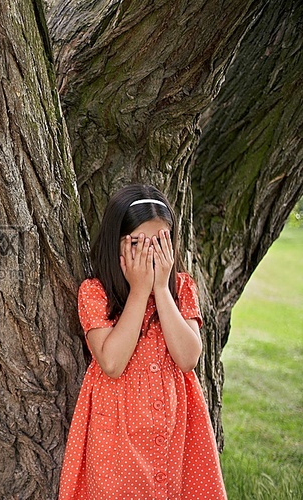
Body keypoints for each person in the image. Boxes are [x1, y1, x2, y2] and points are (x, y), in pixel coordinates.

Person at [58, 184, 226, 499]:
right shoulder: (95, 292)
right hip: (117, 430)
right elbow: (112, 362)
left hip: (174, 428)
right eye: (137, 242)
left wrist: (161, 289)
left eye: (160, 242)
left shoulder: (181, 288)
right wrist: (138, 291)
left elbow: (188, 357)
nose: (150, 253)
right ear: (116, 244)